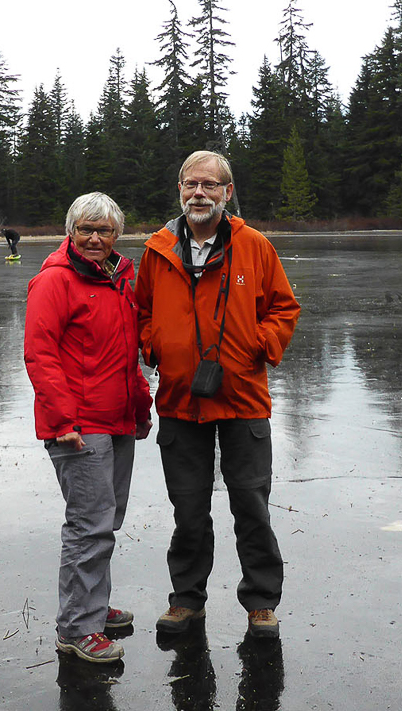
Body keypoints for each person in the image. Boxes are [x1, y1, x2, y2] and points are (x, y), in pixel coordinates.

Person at [135, 150, 300, 639]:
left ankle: (261, 603)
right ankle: (187, 601)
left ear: (227, 193)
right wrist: (155, 346)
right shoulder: (158, 250)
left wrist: (259, 344)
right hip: (181, 400)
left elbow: (284, 308)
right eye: (190, 185)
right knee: (187, 509)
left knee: (251, 505)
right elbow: (142, 312)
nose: (198, 194)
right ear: (180, 192)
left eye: (209, 185)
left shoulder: (255, 246)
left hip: (243, 398)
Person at [24, 192, 153, 663]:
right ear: (71, 232)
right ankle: (77, 628)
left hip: (117, 420)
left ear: (117, 236)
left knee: (107, 520)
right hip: (79, 426)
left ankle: (92, 607)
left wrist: (141, 408)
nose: (95, 238)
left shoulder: (121, 280)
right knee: (88, 526)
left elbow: (127, 355)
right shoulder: (54, 282)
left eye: (104, 231)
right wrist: (62, 422)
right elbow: (41, 357)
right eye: (86, 230)